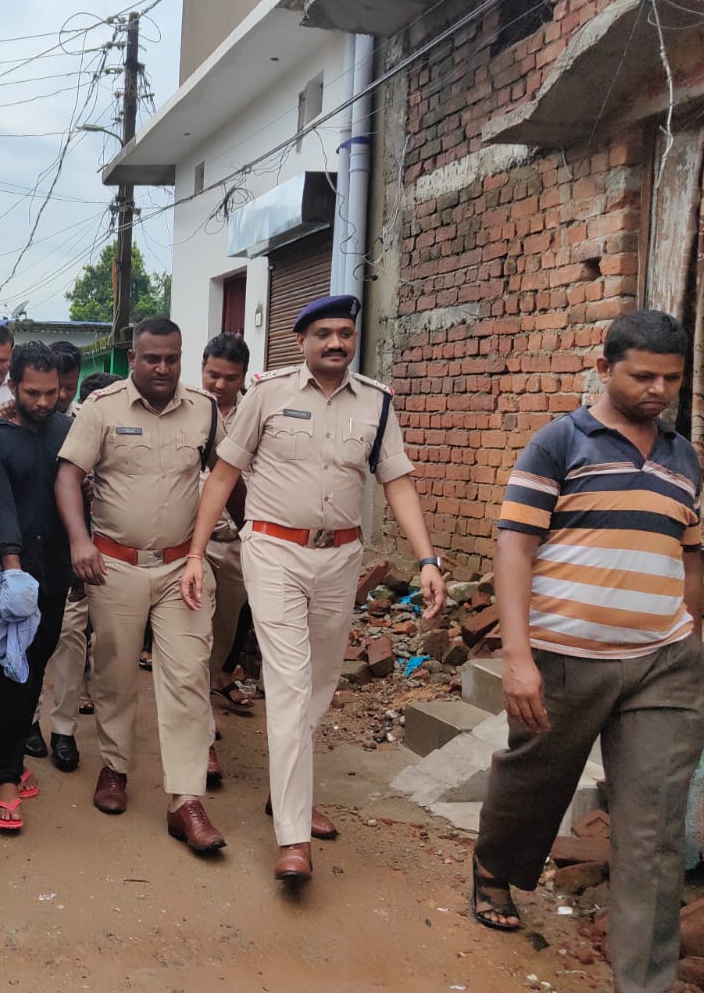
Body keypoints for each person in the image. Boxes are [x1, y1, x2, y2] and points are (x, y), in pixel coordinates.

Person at [471, 311, 704, 993]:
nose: (658, 390)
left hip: (664, 665)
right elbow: (516, 548)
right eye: (643, 375)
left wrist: (691, 632)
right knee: (535, 775)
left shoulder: (683, 456)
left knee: (653, 830)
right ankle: (495, 869)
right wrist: (518, 657)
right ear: (604, 367)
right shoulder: (559, 443)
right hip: (566, 656)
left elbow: (690, 551)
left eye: (671, 379)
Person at [182, 295, 445, 883]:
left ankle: (287, 788)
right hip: (273, 550)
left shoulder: (376, 402)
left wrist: (427, 559)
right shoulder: (267, 394)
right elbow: (223, 475)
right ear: (301, 341)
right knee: (290, 683)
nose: (335, 343)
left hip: (341, 556)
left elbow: (397, 481)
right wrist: (196, 553)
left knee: (321, 681)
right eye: (323, 333)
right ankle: (293, 837)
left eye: (345, 333)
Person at [55, 317, 228, 855]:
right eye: (152, 358)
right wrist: (79, 542)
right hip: (114, 566)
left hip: (182, 568)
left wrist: (239, 535)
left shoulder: (205, 410)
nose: (162, 368)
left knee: (188, 676)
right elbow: (68, 475)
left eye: (172, 358)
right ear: (133, 358)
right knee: (114, 673)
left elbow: (227, 474)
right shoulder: (102, 407)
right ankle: (115, 767)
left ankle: (186, 800)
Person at [0, 341, 73, 833]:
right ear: (13, 386)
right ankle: (5, 779)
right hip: (13, 575)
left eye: (51, 392)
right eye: (32, 392)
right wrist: (11, 573)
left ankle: (14, 757)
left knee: (35, 666)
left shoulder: (67, 430)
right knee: (7, 673)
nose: (42, 402)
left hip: (56, 571)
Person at [32, 341, 88, 767]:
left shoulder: (89, 423)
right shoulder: (18, 422)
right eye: (56, 388)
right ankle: (28, 719)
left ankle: (64, 728)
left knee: (71, 639)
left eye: (68, 387)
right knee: (30, 642)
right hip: (32, 555)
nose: (61, 397)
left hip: (74, 556)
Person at [199, 334, 255, 715]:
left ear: (243, 376)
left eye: (230, 378)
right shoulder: (189, 409)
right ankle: (198, 717)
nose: (219, 385)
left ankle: (214, 679)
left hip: (238, 538)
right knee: (193, 625)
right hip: (195, 539)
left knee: (225, 627)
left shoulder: (257, 413)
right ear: (202, 368)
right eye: (212, 374)